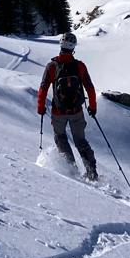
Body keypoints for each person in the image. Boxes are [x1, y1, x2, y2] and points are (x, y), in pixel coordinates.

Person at [37, 32, 98, 179]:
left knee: (60, 138)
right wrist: (92, 107)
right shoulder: (80, 66)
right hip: (76, 111)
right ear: (73, 47)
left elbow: (43, 88)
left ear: (60, 45)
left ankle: (71, 169)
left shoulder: (52, 66)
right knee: (80, 140)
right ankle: (92, 172)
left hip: (59, 112)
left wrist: (40, 107)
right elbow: (90, 88)